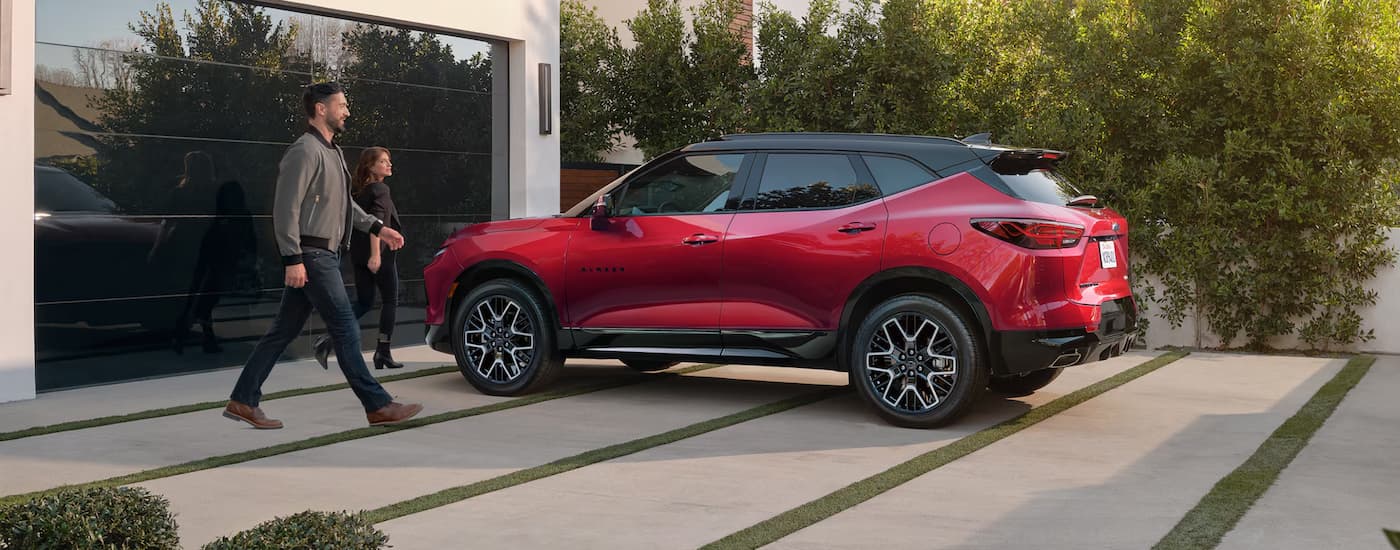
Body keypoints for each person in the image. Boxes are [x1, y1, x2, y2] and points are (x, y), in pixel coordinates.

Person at [223, 82, 423, 429]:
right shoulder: (304, 151)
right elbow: (285, 208)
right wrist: (292, 259)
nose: (347, 111)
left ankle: (243, 400)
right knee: (346, 328)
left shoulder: (331, 153)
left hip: (322, 255)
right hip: (312, 255)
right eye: (341, 105)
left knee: (281, 332)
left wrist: (378, 228)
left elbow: (345, 207)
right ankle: (377, 405)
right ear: (320, 109)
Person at [313, 147, 405, 370]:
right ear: (370, 167)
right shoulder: (381, 189)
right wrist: (376, 255)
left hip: (358, 254)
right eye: (383, 161)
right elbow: (377, 222)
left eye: (388, 160)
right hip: (379, 254)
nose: (389, 164)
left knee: (364, 302)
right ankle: (383, 352)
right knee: (390, 300)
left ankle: (328, 340)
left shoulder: (358, 191)